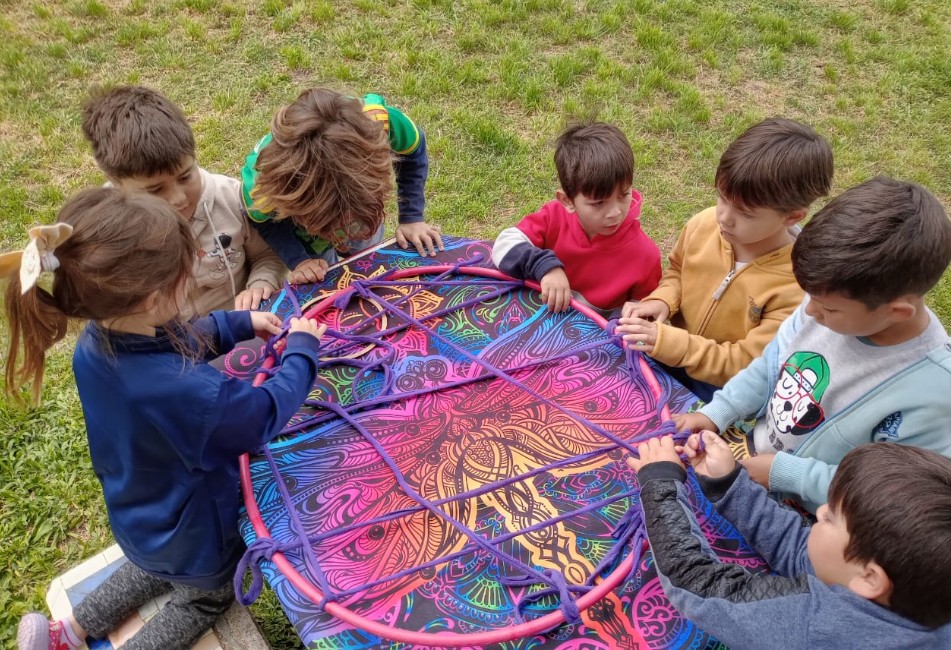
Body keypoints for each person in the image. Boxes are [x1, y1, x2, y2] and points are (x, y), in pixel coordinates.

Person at [6, 188, 325, 650]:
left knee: (149, 565)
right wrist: (302, 352)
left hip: (140, 515)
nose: (197, 263)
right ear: (154, 296)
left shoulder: (98, 340)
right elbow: (262, 415)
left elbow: (170, 340)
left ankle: (67, 633)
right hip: (196, 530)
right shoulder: (190, 393)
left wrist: (236, 325)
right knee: (203, 599)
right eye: (187, 267)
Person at [675, 177, 951, 512]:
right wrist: (719, 412)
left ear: (897, 312)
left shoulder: (933, 395)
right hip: (754, 458)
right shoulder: (830, 300)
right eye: (810, 297)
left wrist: (786, 474)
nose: (808, 311)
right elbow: (770, 365)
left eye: (827, 308)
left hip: (817, 517)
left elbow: (896, 494)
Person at [628, 434, 951, 649]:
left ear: (870, 578)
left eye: (830, 517)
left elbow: (695, 582)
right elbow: (803, 551)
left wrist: (659, 481)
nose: (819, 511)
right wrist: (729, 483)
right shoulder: (921, 588)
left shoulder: (816, 627)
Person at [617, 118, 833, 400]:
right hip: (667, 357)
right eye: (722, 197)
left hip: (719, 394)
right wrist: (663, 300)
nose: (724, 217)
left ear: (792, 217)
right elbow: (678, 271)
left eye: (745, 213)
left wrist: (673, 345)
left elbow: (746, 364)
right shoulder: (705, 224)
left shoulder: (794, 287)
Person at [81, 85, 285, 316]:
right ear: (116, 182)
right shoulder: (105, 234)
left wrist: (261, 283)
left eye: (185, 176)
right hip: (170, 338)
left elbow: (266, 255)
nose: (178, 198)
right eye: (155, 189)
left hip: (243, 327)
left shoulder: (231, 199)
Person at [241, 88, 443, 284]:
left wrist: (411, 217)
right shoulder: (261, 188)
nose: (344, 229)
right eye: (338, 223)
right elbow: (265, 223)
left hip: (358, 209)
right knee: (326, 279)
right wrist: (300, 260)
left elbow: (413, 149)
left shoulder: (377, 124)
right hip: (305, 230)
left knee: (368, 260)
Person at [491, 122, 662, 315]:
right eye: (598, 202)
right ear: (568, 201)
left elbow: (645, 316)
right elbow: (504, 245)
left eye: (624, 194)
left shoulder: (645, 256)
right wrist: (545, 267)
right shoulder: (554, 217)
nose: (615, 212)